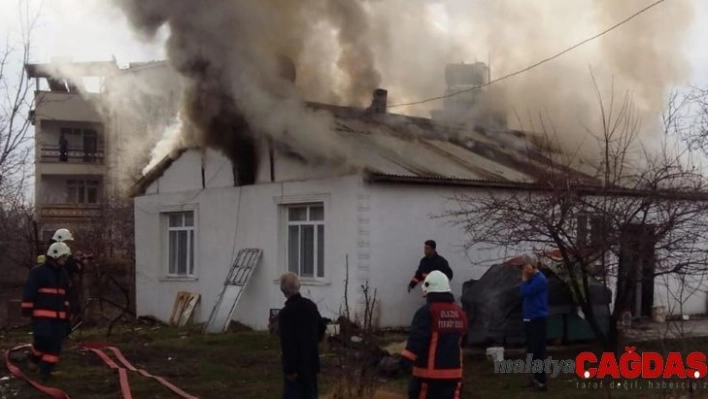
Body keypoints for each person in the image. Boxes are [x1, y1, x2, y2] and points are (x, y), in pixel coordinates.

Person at [400, 270, 468, 399]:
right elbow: (462, 341)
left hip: (428, 377)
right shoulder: (460, 313)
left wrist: (403, 363)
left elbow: (417, 341)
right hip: (454, 377)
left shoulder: (427, 312)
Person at [21, 242, 73, 382]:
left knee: (55, 345)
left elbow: (66, 295)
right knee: (43, 339)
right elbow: (29, 291)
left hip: (59, 317)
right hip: (41, 315)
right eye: (63, 257)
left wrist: (68, 315)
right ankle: (33, 358)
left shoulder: (63, 274)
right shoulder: (38, 272)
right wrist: (27, 308)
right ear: (55, 255)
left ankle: (45, 372)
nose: (65, 260)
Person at [277, 272, 327, 399]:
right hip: (311, 363)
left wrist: (290, 370)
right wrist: (312, 343)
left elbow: (287, 344)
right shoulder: (310, 306)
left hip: (296, 369)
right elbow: (322, 327)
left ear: (283, 291)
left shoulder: (285, 314)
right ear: (298, 286)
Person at [519, 254, 549, 392]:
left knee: (537, 351)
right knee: (532, 350)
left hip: (537, 318)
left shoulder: (539, 280)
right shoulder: (534, 279)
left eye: (525, 267)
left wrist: (524, 279)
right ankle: (535, 378)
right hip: (530, 317)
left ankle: (541, 381)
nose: (524, 271)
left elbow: (525, 292)